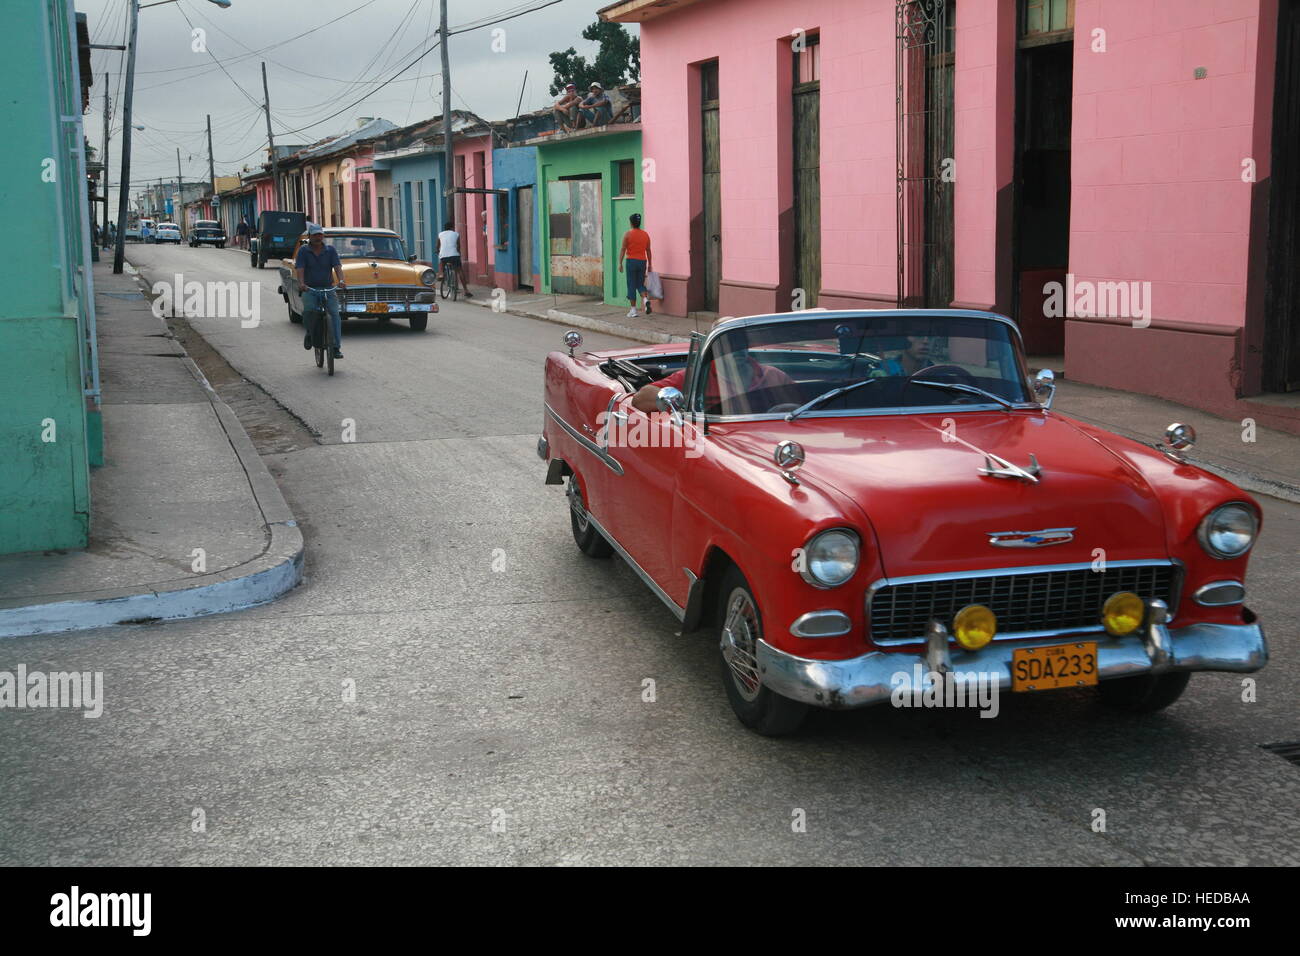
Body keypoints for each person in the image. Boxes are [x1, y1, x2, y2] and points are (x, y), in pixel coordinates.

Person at [631, 323, 797, 415]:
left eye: (741, 343)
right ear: (714, 350)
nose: (736, 349)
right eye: (728, 344)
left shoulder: (774, 376)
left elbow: (802, 409)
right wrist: (678, 403)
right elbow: (640, 399)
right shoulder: (696, 378)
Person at [295, 223, 347, 359]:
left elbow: (337, 267)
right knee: (309, 311)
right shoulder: (303, 251)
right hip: (310, 288)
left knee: (335, 314)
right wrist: (301, 283)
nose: (318, 237)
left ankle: (336, 347)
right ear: (310, 237)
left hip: (328, 287)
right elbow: (300, 269)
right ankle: (309, 333)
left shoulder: (330, 250)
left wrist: (341, 280)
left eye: (320, 234)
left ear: (323, 235)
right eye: (315, 235)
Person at [618, 213, 652, 319]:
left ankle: (633, 310)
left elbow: (623, 249)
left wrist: (620, 263)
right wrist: (650, 264)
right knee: (640, 284)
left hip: (631, 262)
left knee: (631, 284)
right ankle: (645, 300)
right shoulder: (645, 235)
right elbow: (648, 250)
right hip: (642, 262)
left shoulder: (628, 234)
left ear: (631, 223)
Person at [437, 221, 472, 297]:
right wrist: (458, 252)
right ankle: (466, 290)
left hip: (444, 255)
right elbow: (458, 245)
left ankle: (441, 274)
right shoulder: (456, 234)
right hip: (454, 255)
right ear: (452, 228)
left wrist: (437, 250)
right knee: (460, 270)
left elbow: (438, 245)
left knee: (441, 261)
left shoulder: (440, 234)